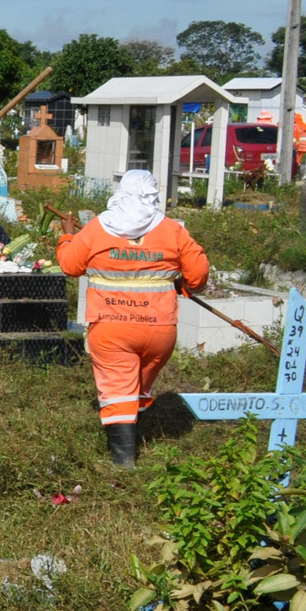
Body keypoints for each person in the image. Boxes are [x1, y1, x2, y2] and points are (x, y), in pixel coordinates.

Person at [55, 169, 209, 468]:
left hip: (112, 327)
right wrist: (182, 283)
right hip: (160, 330)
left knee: (117, 388)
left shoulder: (99, 227)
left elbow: (70, 265)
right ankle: (143, 430)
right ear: (153, 195)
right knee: (137, 385)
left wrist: (67, 236)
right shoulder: (172, 230)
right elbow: (199, 275)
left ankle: (124, 463)